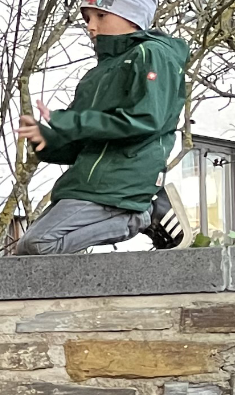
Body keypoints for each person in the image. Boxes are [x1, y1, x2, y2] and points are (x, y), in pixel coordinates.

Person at [14, 0, 189, 255]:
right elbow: (78, 141)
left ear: (133, 19)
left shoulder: (152, 54)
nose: (91, 26)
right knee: (26, 251)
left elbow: (146, 120)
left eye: (101, 16)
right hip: (87, 183)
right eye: (87, 19)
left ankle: (140, 215)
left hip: (120, 181)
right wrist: (45, 139)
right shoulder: (96, 75)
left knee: (38, 244)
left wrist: (72, 122)